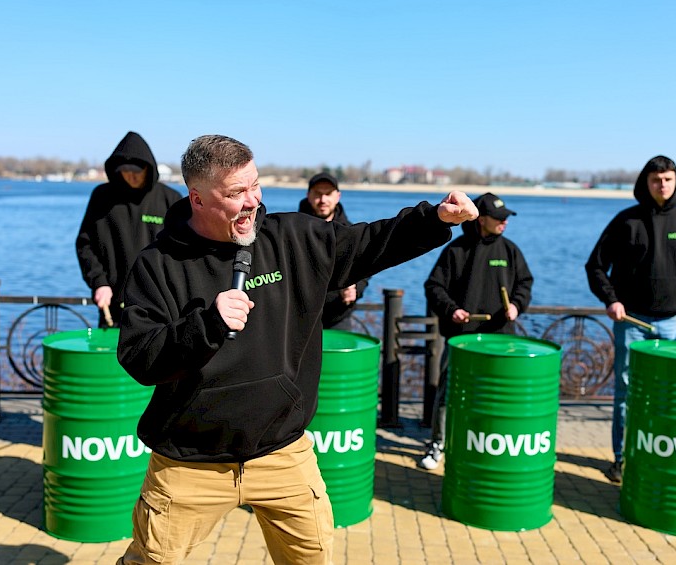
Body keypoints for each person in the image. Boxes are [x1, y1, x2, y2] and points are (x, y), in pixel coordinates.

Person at [115, 134, 478, 565]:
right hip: (189, 462)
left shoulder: (293, 238)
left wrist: (435, 218)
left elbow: (370, 242)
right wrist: (205, 325)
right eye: (236, 193)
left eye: (255, 185)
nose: (252, 201)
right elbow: (140, 357)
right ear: (197, 198)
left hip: (283, 453)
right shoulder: (157, 264)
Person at [585, 155, 676, 484]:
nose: (662, 185)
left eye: (668, 179)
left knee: (671, 394)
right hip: (631, 322)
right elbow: (595, 266)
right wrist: (611, 300)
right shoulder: (626, 221)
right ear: (646, 182)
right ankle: (621, 459)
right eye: (656, 180)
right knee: (627, 393)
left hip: (674, 323)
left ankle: (661, 455)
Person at [419, 192, 534, 470]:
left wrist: (516, 305)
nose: (505, 222)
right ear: (482, 219)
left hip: (501, 339)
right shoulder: (456, 250)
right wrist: (451, 310)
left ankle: (489, 443)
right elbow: (433, 286)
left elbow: (525, 283)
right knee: (448, 394)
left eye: (506, 218)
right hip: (462, 339)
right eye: (499, 218)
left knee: (498, 396)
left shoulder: (510, 251)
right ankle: (438, 444)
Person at [75, 131, 182, 328]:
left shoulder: (170, 199)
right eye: (126, 172)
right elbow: (85, 245)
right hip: (113, 305)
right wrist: (99, 283)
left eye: (137, 172)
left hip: (160, 305)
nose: (131, 177)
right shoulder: (102, 197)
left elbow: (182, 252)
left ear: (148, 169)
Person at [298, 171, 369, 330]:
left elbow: (365, 269)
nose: (323, 200)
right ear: (308, 195)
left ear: (338, 196)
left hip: (337, 317)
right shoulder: (293, 230)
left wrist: (356, 289)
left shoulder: (350, 231)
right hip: (299, 318)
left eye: (328, 194)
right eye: (318, 194)